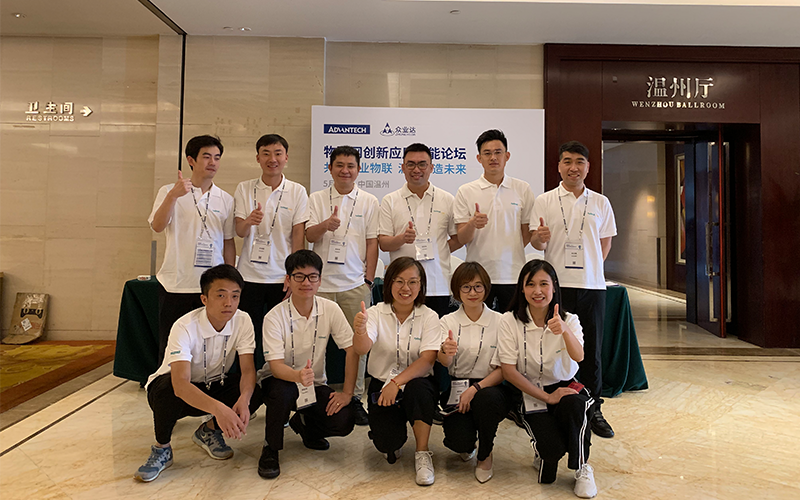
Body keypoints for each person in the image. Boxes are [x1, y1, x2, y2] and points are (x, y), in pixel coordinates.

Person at [134, 264, 255, 483]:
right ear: (204, 299)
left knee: (257, 388)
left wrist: (245, 400)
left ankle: (208, 431)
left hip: (214, 384)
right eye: (221, 295)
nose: (229, 303)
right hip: (179, 391)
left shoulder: (243, 320)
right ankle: (162, 448)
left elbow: (247, 370)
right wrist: (219, 409)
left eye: (235, 296)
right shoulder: (184, 326)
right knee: (167, 388)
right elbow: (181, 384)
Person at [529, 140, 617, 438]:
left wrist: (590, 268)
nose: (573, 167)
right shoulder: (544, 201)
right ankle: (554, 403)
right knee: (556, 347)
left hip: (592, 286)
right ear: (559, 166)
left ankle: (594, 408)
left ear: (588, 167)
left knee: (591, 350)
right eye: (567, 161)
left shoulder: (601, 202)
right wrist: (540, 237)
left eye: (579, 162)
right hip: (557, 288)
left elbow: (605, 243)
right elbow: (537, 243)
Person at [253, 250, 358, 479]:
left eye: (312, 277)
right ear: (288, 280)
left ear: (320, 280)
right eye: (299, 276)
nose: (306, 283)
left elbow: (351, 349)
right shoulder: (274, 317)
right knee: (283, 392)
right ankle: (271, 447)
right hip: (278, 380)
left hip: (313, 383)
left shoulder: (330, 309)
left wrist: (347, 393)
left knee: (344, 418)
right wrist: (297, 376)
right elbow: (275, 366)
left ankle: (306, 427)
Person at [498, 259, 597, 498]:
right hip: (529, 390)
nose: (537, 291)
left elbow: (579, 356)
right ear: (522, 289)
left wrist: (564, 330)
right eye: (530, 284)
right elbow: (508, 371)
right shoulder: (508, 321)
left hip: (565, 386)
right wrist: (547, 397)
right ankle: (544, 452)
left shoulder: (570, 319)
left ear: (554, 287)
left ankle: (582, 467)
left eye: (544, 284)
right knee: (551, 454)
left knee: (577, 405)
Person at [352, 257, 441, 486]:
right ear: (389, 283)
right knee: (387, 444)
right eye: (399, 281)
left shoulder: (429, 316)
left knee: (419, 389)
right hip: (381, 383)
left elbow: (427, 360)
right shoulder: (375, 313)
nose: (405, 288)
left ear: (421, 285)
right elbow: (362, 348)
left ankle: (422, 452)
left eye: (412, 282)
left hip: (416, 384)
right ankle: (393, 433)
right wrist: (360, 331)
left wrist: (397, 383)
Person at [306, 145, 379, 425]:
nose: (345, 170)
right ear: (330, 168)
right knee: (314, 344)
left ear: (358, 170)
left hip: (354, 285)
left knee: (358, 346)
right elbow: (309, 236)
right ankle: (311, 394)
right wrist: (326, 225)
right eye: (339, 165)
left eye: (350, 166)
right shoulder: (316, 198)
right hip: (320, 286)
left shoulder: (369, 201)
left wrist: (368, 280)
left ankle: (356, 396)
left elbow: (372, 242)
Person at [148, 135, 236, 363]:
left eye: (217, 157)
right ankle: (168, 384)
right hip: (176, 283)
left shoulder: (225, 199)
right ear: (191, 160)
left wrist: (230, 279)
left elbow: (228, 241)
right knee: (172, 345)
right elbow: (157, 226)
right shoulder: (169, 191)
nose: (212, 162)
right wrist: (173, 196)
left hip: (212, 286)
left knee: (208, 345)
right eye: (206, 157)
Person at [234, 134, 309, 371]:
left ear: (286, 157)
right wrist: (249, 221)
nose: (272, 159)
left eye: (278, 153)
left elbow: (298, 237)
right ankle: (249, 380)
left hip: (281, 278)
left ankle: (278, 379)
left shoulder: (297, 191)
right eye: (266, 153)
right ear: (258, 158)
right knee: (249, 333)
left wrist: (294, 275)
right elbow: (239, 231)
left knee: (282, 332)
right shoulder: (245, 188)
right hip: (249, 275)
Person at [437, 262, 509, 483]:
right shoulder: (447, 321)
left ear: (486, 289)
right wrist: (445, 351)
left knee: (487, 401)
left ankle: (485, 455)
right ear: (457, 290)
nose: (472, 292)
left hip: (490, 386)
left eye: (478, 286)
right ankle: (469, 444)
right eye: (466, 287)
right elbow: (443, 362)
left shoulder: (501, 321)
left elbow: (504, 369)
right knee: (458, 442)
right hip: (457, 385)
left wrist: (475, 389)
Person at [454, 129, 534, 312]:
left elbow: (526, 232)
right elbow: (462, 238)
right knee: (479, 324)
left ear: (507, 156)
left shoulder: (522, 189)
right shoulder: (466, 191)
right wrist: (472, 224)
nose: (493, 158)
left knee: (513, 324)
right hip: (478, 276)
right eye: (487, 153)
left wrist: (510, 248)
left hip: (512, 274)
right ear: (479, 158)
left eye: (498, 152)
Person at [379, 143, 462, 318]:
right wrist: (402, 239)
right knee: (401, 333)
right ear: (403, 168)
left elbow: (457, 238)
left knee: (437, 333)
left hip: (437, 285)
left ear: (431, 167)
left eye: (422, 164)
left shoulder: (447, 199)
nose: (416, 169)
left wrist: (440, 249)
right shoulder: (390, 200)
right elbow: (384, 243)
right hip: (402, 287)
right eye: (411, 164)